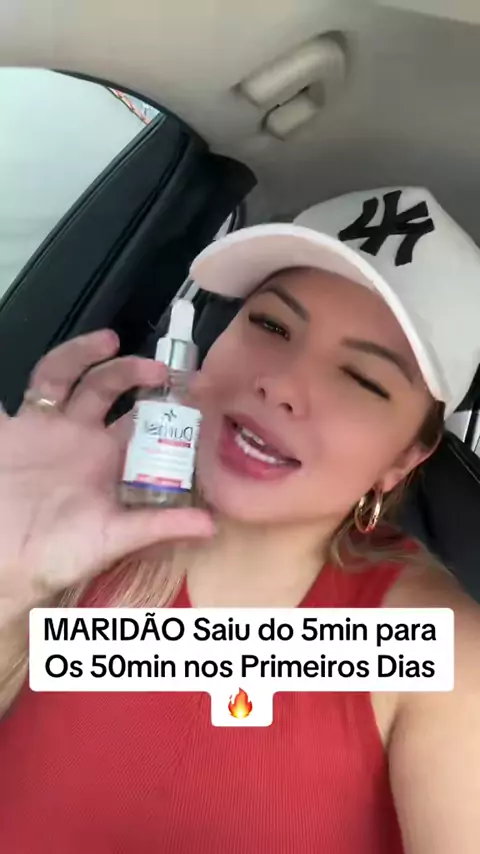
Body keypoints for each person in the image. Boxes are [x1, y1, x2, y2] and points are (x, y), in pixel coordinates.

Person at [0, 186, 479, 853]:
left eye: (362, 379)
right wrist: (10, 580)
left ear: (403, 458)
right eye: (272, 326)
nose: (279, 384)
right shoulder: (82, 520)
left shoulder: (442, 655)